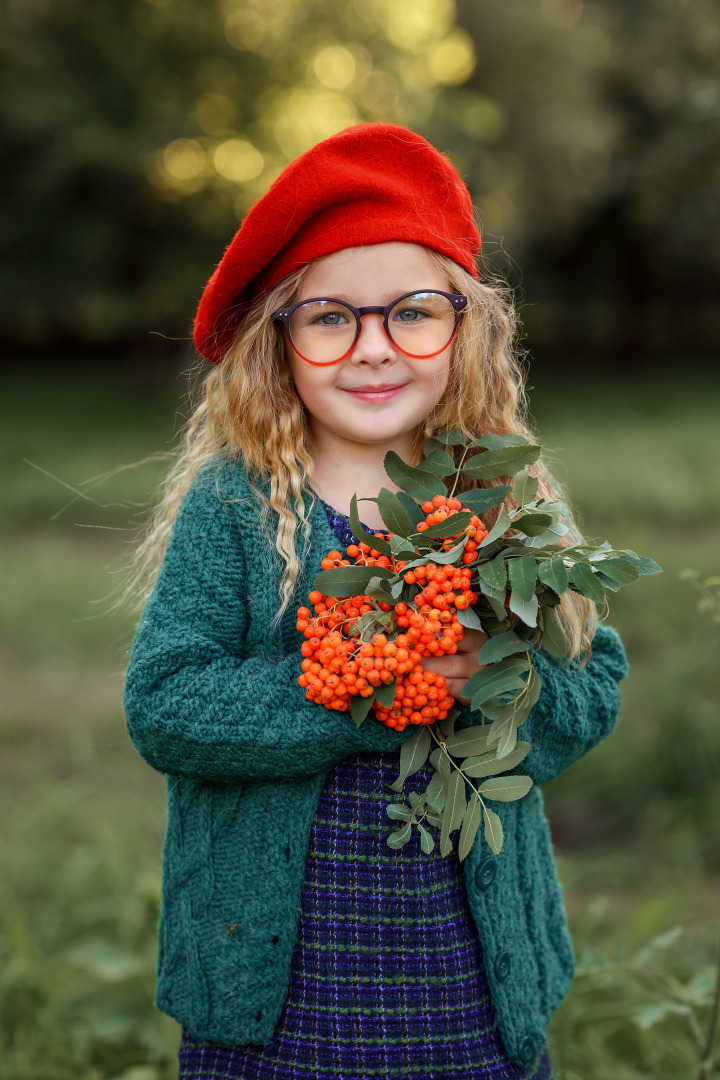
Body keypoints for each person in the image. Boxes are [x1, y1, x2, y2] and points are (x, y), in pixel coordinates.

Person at [123, 123, 628, 1080]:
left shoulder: (499, 493)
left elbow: (591, 685)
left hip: (465, 990)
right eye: (331, 318)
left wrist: (493, 680)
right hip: (272, 1002)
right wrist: (357, 690)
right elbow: (165, 705)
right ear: (279, 337)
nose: (374, 349)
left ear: (466, 325)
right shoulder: (236, 503)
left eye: (412, 311)